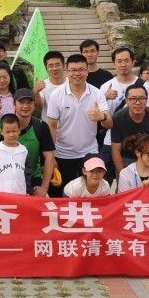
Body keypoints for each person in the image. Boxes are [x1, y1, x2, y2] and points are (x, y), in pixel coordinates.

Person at [46, 53, 111, 196]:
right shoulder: (57, 95)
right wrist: (51, 156)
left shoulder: (97, 93)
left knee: (91, 195)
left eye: (81, 70)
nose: (77, 73)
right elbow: (51, 126)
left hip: (89, 153)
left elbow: (109, 123)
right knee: (60, 196)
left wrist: (102, 116)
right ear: (67, 71)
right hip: (63, 154)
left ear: (87, 71)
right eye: (73, 70)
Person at [0, 87, 56, 196]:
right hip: (4, 180)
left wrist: (44, 187)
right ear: (14, 104)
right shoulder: (0, 125)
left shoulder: (41, 126)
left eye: (29, 102)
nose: (25, 106)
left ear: (34, 104)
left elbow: (49, 157)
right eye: (21, 102)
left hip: (32, 179)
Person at [99, 47, 149, 182]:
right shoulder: (106, 86)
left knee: (141, 177)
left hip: (139, 139)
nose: (123, 64)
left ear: (133, 62)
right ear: (114, 64)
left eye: (126, 61)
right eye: (119, 61)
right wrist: (105, 97)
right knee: (106, 177)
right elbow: (98, 114)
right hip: (112, 139)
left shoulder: (144, 85)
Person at [110, 83, 149, 176]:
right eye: (133, 99)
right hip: (126, 158)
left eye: (141, 98)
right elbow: (115, 150)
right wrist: (123, 174)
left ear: (147, 100)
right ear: (126, 100)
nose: (137, 102)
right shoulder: (117, 118)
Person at [0, 114, 33, 194]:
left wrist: (28, 191)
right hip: (1, 196)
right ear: (1, 131)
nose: (11, 134)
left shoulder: (24, 151)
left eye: (14, 131)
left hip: (21, 195)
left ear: (19, 130)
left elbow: (27, 173)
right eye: (8, 132)